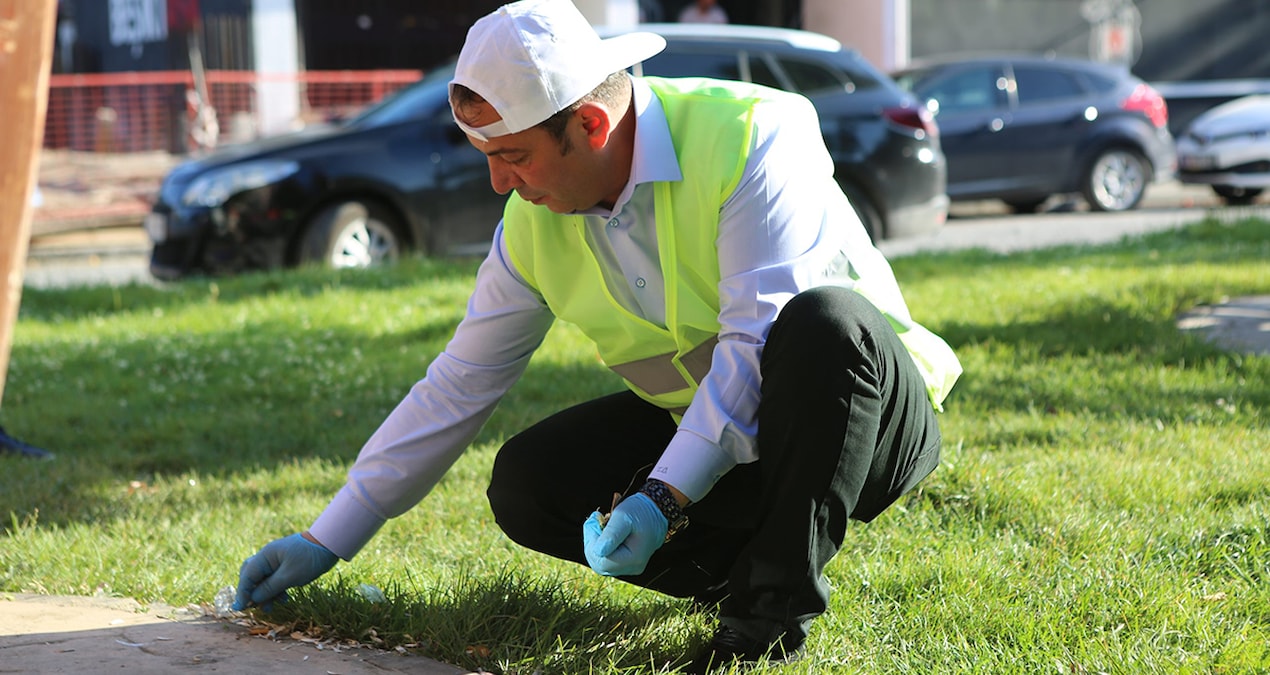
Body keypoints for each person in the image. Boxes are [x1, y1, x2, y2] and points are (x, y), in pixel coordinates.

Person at [232, 0, 962, 670]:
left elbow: (756, 344)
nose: (498, 183)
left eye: (512, 155)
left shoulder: (752, 134)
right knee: (528, 481)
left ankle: (764, 617)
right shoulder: (530, 226)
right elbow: (461, 379)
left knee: (821, 324)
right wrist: (329, 535)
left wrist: (663, 496)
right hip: (729, 440)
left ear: (589, 125)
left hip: (866, 421)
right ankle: (744, 564)